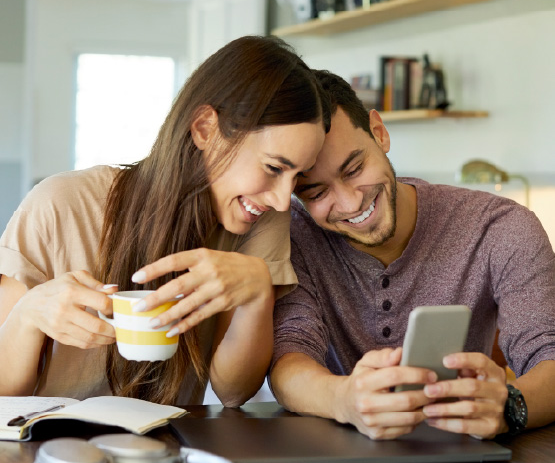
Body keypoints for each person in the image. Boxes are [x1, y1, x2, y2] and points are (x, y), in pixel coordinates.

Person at [0, 36, 328, 407]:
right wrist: (27, 317)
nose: (283, 198)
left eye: (297, 176)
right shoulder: (60, 205)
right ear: (205, 129)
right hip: (51, 451)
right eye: (273, 167)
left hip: (166, 451)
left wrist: (255, 295)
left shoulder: (261, 218)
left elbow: (234, 392)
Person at [270, 69, 555, 440]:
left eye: (355, 168)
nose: (351, 201)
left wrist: (509, 406)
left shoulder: (500, 227)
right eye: (316, 193)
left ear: (379, 132)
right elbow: (288, 357)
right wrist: (344, 399)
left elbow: (547, 354)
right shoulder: (292, 236)